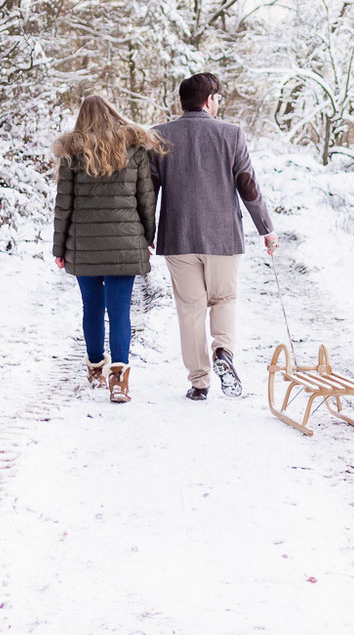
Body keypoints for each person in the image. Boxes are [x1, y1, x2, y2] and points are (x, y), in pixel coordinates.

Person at [151, 71, 276, 401]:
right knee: (224, 298)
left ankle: (199, 382)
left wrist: (146, 232)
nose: (218, 103)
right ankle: (223, 352)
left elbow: (147, 191)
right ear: (209, 101)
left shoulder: (159, 137)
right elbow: (247, 185)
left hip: (177, 237)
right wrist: (266, 228)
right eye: (217, 98)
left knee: (190, 309)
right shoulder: (231, 135)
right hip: (223, 237)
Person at [52, 95, 164, 404]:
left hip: (83, 244)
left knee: (92, 309)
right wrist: (148, 236)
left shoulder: (72, 155)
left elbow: (64, 207)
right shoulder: (135, 150)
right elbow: (146, 200)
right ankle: (119, 381)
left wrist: (59, 247)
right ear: (114, 115)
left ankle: (95, 368)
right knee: (119, 312)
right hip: (125, 244)